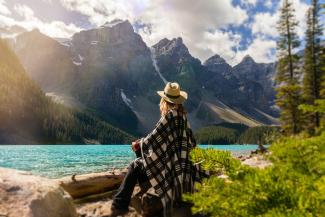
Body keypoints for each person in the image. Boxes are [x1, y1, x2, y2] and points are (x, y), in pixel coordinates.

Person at [108, 82, 206, 217]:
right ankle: (138, 194)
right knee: (142, 160)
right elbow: (192, 144)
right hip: (181, 171)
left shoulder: (169, 117)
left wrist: (137, 144)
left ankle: (119, 206)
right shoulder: (183, 119)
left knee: (135, 165)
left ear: (164, 101)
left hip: (168, 171)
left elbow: (151, 140)